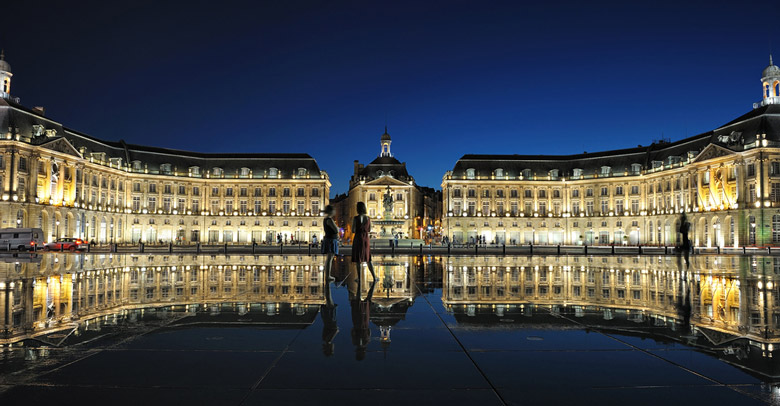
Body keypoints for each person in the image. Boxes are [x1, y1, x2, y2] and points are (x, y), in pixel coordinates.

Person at [352, 202, 377, 280]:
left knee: (358, 259)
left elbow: (353, 230)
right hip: (365, 238)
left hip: (358, 238)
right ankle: (374, 277)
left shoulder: (356, 218)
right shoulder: (368, 218)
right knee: (368, 258)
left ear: (357, 209)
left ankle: (359, 277)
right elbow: (369, 229)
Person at [322, 205, 339, 281]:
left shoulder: (325, 219)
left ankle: (328, 275)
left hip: (328, 239)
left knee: (329, 258)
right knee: (330, 258)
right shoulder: (329, 220)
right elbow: (336, 229)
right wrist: (337, 228)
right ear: (331, 211)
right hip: (331, 240)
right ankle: (328, 276)